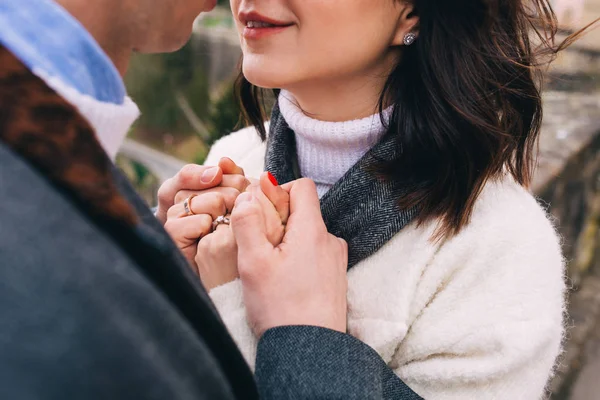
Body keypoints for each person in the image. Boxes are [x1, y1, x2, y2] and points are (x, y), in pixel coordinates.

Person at [162, 0, 597, 398]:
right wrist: (155, 268)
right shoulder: (230, 160)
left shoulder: (499, 248)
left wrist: (296, 330)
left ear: (413, 13)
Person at [0, 0, 422, 399]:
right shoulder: (234, 156)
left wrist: (162, 278)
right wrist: (172, 281)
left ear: (414, 11)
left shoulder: (483, 234)